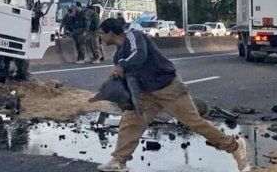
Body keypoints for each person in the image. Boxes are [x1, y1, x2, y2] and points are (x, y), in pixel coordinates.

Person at [96, 18, 249, 172]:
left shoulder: (134, 37)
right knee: (130, 122)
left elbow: (139, 54)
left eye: (102, 33)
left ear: (111, 33)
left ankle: (234, 146)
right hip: (147, 93)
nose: (101, 37)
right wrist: (128, 99)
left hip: (169, 88)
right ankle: (119, 161)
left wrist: (121, 67)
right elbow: (130, 80)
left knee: (194, 122)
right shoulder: (118, 56)